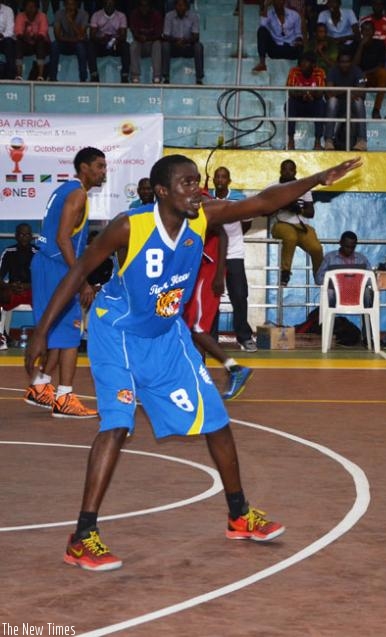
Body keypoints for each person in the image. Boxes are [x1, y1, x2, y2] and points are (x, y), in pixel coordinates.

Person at [25, 154, 360, 572]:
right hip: (120, 334)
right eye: (187, 184)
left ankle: (239, 514)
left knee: (215, 418)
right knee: (117, 425)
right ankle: (82, 537)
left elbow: (262, 202)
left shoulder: (203, 217)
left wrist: (317, 178)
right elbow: (78, 274)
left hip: (167, 337)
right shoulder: (129, 226)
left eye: (197, 182)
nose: (196, 191)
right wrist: (41, 332)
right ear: (162, 191)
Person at [25, 147, 106, 418]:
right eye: (99, 166)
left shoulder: (65, 190)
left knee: (58, 332)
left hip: (48, 263)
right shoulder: (77, 194)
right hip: (56, 266)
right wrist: (80, 279)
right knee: (71, 334)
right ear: (84, 168)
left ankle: (41, 386)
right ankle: (65, 398)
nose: (103, 171)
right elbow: (62, 239)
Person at [182, 223, 252, 401]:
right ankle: (197, 381)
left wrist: (220, 274)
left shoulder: (202, 209)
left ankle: (234, 368)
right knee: (190, 330)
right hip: (197, 272)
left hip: (207, 273)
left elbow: (222, 234)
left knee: (197, 329)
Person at [209, 166, 257, 353]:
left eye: (224, 177)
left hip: (234, 254)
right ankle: (211, 338)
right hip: (212, 257)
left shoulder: (239, 198)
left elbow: (247, 223)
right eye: (217, 177)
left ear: (229, 180)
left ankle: (244, 337)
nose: (220, 180)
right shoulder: (207, 198)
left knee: (239, 296)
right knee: (212, 298)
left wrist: (232, 238)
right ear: (213, 180)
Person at [272, 160, 324, 287]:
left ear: (295, 171)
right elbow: (265, 211)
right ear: (280, 171)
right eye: (285, 169)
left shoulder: (303, 186)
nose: (287, 172)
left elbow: (311, 213)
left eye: (290, 170)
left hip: (301, 227)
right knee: (290, 237)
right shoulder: (273, 186)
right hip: (281, 224)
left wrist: (298, 209)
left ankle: (319, 277)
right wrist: (281, 205)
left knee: (317, 248)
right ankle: (285, 273)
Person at [0, 223, 37, 351]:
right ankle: (2, 336)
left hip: (33, 291)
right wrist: (9, 286)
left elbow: (44, 279)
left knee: (47, 298)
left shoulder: (38, 253)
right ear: (16, 236)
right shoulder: (9, 252)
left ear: (31, 236)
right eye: (21, 234)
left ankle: (44, 337)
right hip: (13, 291)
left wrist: (28, 286)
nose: (24, 237)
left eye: (27, 234)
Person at [324, 51, 368, 151]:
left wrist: (339, 91)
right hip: (338, 106)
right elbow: (330, 92)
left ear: (351, 63)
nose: (345, 64)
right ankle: (329, 140)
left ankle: (362, 141)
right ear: (338, 63)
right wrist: (347, 91)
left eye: (347, 62)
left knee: (359, 102)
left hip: (352, 104)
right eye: (342, 62)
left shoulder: (357, 70)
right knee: (332, 101)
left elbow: (361, 91)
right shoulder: (333, 71)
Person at [285, 52, 327, 150]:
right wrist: (303, 94)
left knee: (321, 104)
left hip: (314, 102)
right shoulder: (294, 71)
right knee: (289, 104)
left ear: (313, 65)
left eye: (305, 64)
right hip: (298, 102)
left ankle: (317, 142)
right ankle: (291, 141)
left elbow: (320, 93)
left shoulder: (319, 72)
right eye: (301, 64)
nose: (302, 66)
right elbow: (291, 92)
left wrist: (310, 95)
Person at [161, 0, 203, 84]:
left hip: (188, 46)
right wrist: (176, 40)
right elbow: (165, 35)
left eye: (182, 5)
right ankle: (166, 77)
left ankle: (199, 78)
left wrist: (185, 41)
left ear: (186, 7)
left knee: (198, 46)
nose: (180, 7)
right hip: (174, 46)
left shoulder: (194, 16)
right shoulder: (169, 16)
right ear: (175, 6)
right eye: (178, 5)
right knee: (165, 45)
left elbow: (196, 36)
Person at [253, 0, 303, 72]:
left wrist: (298, 40)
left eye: (280, 0)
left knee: (300, 46)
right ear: (273, 2)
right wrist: (266, 6)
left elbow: (298, 33)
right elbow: (262, 25)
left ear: (284, 1)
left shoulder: (294, 15)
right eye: (276, 0)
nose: (279, 2)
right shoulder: (269, 14)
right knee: (261, 31)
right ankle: (262, 63)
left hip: (290, 48)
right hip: (275, 49)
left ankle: (300, 69)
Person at [353, 20, 386, 120]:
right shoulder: (355, 44)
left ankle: (376, 110)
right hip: (360, 78)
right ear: (361, 32)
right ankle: (359, 111)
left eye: (369, 30)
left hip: (373, 76)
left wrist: (366, 73)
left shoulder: (380, 44)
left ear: (373, 32)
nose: (367, 32)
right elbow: (354, 66)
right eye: (364, 30)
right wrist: (361, 46)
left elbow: (381, 65)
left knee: (383, 73)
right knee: (359, 78)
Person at [87, 0, 130, 83]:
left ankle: (124, 75)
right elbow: (92, 35)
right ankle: (94, 75)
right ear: (103, 4)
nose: (109, 5)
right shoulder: (96, 15)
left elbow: (123, 36)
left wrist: (114, 39)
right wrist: (101, 39)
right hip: (101, 44)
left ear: (115, 4)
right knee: (91, 45)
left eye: (111, 3)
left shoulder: (121, 16)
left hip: (115, 45)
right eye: (107, 3)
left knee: (126, 46)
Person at [49, 0, 90, 83]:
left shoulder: (84, 14)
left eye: (73, 4)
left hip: (78, 44)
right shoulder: (59, 14)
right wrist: (73, 39)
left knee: (81, 47)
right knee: (54, 45)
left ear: (77, 5)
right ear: (64, 5)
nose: (70, 7)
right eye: (68, 4)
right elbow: (57, 36)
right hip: (65, 42)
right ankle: (52, 78)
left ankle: (83, 79)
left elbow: (81, 35)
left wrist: (71, 22)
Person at [13, 0, 49, 81]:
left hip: (38, 42)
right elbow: (18, 32)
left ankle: (40, 76)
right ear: (24, 7)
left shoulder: (42, 16)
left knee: (41, 44)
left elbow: (43, 32)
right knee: (18, 43)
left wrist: (33, 37)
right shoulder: (20, 16)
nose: (31, 9)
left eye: (33, 7)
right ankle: (19, 75)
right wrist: (26, 36)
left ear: (37, 7)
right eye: (28, 7)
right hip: (25, 43)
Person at [128, 0, 163, 83]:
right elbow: (134, 32)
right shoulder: (134, 14)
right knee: (133, 45)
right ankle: (135, 76)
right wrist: (140, 37)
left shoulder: (156, 15)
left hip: (152, 43)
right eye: (142, 6)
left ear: (150, 7)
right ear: (139, 7)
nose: (144, 8)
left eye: (146, 6)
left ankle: (156, 76)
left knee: (157, 44)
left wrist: (147, 38)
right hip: (140, 44)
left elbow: (159, 34)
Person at [0, 0, 15, 81]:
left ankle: (10, 77)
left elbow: (10, 31)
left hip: (3, 39)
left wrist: (2, 35)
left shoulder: (8, 10)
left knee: (9, 42)